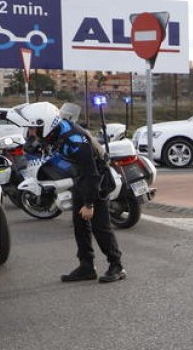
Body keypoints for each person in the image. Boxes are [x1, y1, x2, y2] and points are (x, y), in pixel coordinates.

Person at [9, 102, 126, 283]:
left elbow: (92, 172)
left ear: (45, 124)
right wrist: (0, 116)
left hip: (97, 182)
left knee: (100, 227)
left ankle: (117, 266)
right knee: (79, 225)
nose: (31, 133)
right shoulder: (56, 129)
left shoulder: (76, 140)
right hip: (80, 179)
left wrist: (90, 204)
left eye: (33, 128)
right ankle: (87, 267)